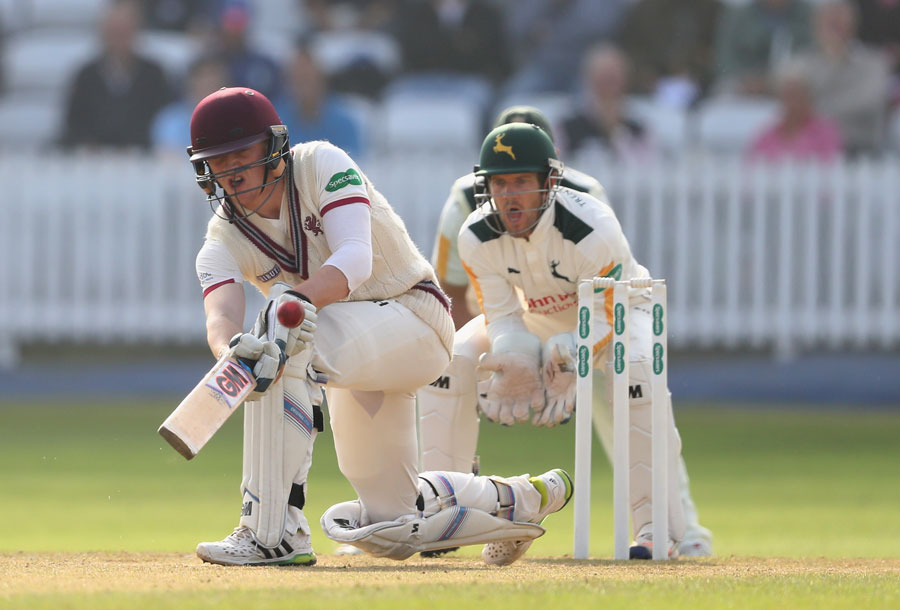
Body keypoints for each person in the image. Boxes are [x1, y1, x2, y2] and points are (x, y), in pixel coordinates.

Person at [185, 86, 573, 566]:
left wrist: (285, 311)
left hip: (415, 318)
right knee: (392, 522)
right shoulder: (223, 234)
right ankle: (522, 498)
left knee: (281, 329)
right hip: (347, 354)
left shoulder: (321, 164)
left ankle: (272, 532)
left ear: (273, 148)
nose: (232, 172)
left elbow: (355, 257)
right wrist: (230, 350)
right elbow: (219, 313)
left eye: (241, 154)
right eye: (218, 162)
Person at [418, 122, 711, 559]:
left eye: (521, 181)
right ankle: (446, 513)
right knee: (453, 359)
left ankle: (658, 529)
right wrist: (516, 354)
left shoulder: (591, 228)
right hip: (540, 316)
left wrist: (574, 353)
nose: (509, 195)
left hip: (622, 310)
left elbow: (607, 312)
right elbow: (502, 315)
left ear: (548, 182)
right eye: (500, 183)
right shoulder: (476, 235)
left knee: (633, 375)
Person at [432, 105, 607, 330]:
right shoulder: (465, 201)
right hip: (488, 320)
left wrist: (568, 346)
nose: (510, 192)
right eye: (502, 178)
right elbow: (452, 294)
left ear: (554, 164)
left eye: (523, 177)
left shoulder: (587, 198)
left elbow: (603, 292)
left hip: (568, 320)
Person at [60, 0, 173, 150]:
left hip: (144, 157)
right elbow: (74, 122)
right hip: (93, 159)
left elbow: (163, 120)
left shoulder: (154, 74)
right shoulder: (86, 75)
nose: (119, 39)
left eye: (124, 32)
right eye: (114, 32)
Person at [794, 0, 890, 156]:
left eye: (840, 18)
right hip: (809, 154)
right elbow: (790, 102)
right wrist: (831, 59)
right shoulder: (800, 63)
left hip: (860, 152)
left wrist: (810, 110)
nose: (835, 24)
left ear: (854, 23)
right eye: (829, 18)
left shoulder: (875, 62)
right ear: (815, 23)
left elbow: (869, 102)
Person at [557, 45, 655, 161]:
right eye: (603, 76)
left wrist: (618, 135)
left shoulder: (640, 129)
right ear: (589, 78)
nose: (608, 84)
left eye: (613, 78)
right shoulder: (567, 127)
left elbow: (650, 165)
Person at [748, 60, 843, 163]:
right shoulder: (766, 137)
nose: (792, 102)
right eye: (787, 95)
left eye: (797, 95)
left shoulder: (826, 133)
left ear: (809, 98)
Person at [713, 0, 812, 96]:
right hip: (744, 80)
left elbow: (814, 51)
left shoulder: (808, 13)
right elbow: (725, 57)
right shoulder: (738, 15)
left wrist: (778, 81)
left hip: (794, 81)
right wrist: (746, 80)